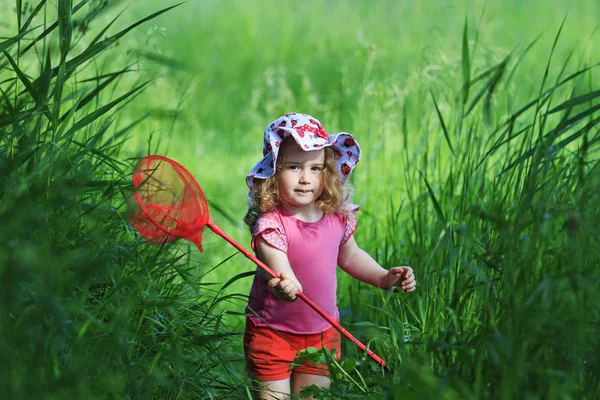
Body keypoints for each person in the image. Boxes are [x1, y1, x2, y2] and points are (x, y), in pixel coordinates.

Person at [243, 112, 417, 399]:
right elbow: (277, 263)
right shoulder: (272, 224)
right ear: (274, 171)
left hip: (322, 332)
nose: (304, 179)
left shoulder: (337, 217)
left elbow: (350, 256)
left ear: (329, 171)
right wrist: (287, 281)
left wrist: (384, 277)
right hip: (273, 332)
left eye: (315, 168)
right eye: (293, 167)